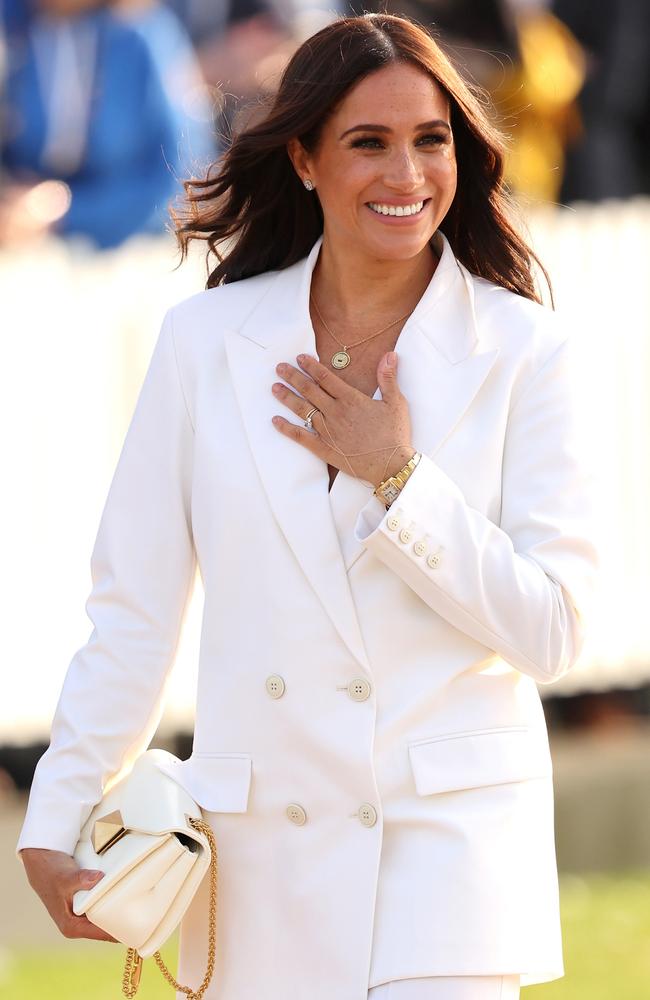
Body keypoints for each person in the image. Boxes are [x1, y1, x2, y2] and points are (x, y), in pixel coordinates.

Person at [17, 12, 600, 1000]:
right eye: (365, 142)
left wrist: (399, 480)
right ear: (300, 159)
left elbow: (551, 630)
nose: (405, 175)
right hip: (261, 870)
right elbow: (134, 610)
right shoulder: (205, 343)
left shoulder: (521, 351)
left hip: (446, 873)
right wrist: (57, 813)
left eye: (429, 140)